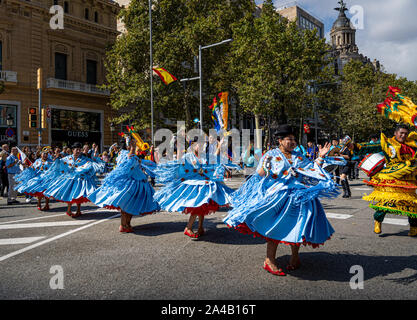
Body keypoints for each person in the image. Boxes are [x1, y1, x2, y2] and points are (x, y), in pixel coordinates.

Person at [224, 124, 338, 276]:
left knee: (299, 227)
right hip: (278, 197)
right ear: (280, 141)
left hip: (300, 197)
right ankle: (269, 260)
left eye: (294, 139)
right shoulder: (271, 154)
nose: (292, 142)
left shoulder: (298, 156)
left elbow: (311, 170)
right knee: (275, 227)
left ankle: (295, 258)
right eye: (289, 139)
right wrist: (265, 167)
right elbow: (260, 173)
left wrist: (321, 156)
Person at [154, 137, 235, 239]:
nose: (201, 147)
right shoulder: (188, 157)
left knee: (203, 205)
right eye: (199, 145)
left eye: (203, 145)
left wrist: (219, 145)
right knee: (198, 205)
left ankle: (200, 227)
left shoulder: (206, 157)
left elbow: (216, 157)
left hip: (204, 184)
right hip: (193, 185)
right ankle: (188, 228)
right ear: (194, 146)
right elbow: (180, 167)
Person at [88, 136, 160, 232]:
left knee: (128, 204)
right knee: (128, 204)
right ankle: (124, 225)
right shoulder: (127, 154)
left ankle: (126, 224)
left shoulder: (122, 154)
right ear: (128, 145)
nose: (135, 145)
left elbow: (134, 163)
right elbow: (129, 164)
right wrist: (133, 150)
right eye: (132, 143)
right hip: (131, 182)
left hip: (131, 181)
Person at [363, 124, 417, 236]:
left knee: (411, 205)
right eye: (401, 133)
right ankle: (378, 222)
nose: (403, 135)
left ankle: (413, 227)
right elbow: (369, 147)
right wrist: (355, 146)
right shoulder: (387, 143)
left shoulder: (411, 146)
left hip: (408, 180)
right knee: (386, 203)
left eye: (405, 134)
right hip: (391, 179)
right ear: (395, 133)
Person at [43, 142, 104, 217]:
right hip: (70, 179)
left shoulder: (84, 159)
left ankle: (78, 211)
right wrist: (57, 158)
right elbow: (60, 163)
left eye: (79, 150)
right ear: (73, 150)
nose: (78, 151)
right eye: (77, 150)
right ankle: (69, 210)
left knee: (79, 195)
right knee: (70, 194)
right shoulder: (68, 158)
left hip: (81, 180)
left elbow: (92, 164)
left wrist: (98, 162)